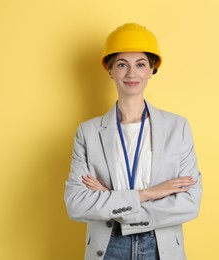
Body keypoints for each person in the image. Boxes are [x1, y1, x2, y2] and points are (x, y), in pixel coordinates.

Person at [64, 23, 203, 260]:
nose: (131, 74)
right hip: (108, 247)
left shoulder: (177, 127)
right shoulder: (87, 132)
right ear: (110, 70)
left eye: (140, 64)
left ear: (151, 70)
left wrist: (111, 199)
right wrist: (150, 193)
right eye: (121, 65)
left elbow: (189, 203)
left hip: (161, 247)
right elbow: (76, 204)